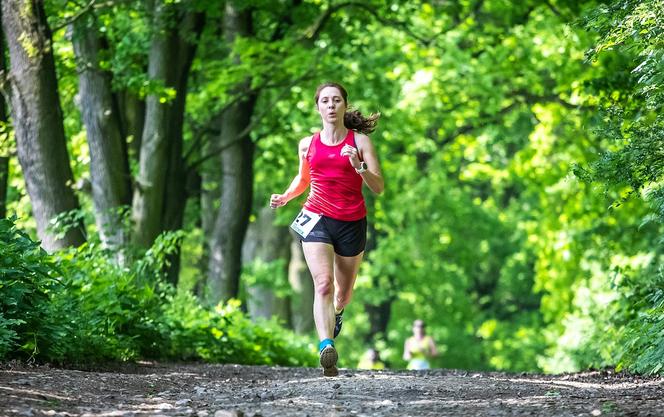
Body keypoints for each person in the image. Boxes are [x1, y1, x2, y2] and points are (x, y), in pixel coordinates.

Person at [269, 82, 384, 377]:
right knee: (322, 283)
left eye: (336, 100)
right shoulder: (307, 144)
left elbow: (379, 187)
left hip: (351, 222)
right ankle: (325, 346)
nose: (331, 105)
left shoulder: (360, 142)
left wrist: (359, 166)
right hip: (316, 216)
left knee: (341, 295)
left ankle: (338, 313)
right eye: (325, 101)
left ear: (344, 105)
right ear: (318, 107)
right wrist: (285, 196)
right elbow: (303, 179)